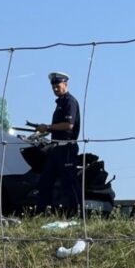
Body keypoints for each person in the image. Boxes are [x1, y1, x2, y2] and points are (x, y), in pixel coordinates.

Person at [35, 72, 81, 215]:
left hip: (66, 149)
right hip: (55, 149)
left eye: (58, 86)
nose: (55, 89)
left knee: (69, 183)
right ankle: (41, 213)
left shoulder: (70, 101)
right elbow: (58, 127)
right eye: (53, 87)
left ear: (65, 85)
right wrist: (44, 131)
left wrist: (48, 127)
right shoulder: (60, 102)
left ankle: (78, 214)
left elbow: (69, 125)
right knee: (45, 182)